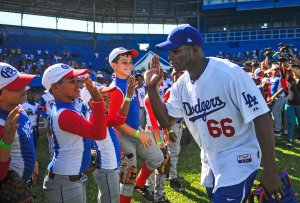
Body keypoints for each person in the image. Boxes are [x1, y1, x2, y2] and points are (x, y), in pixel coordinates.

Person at [145, 25, 284, 202]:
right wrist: (151, 88)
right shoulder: (181, 86)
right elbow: (166, 121)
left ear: (195, 50)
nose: (170, 56)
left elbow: (262, 117)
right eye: (170, 52)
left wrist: (270, 171)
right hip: (210, 160)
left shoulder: (229, 73)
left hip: (238, 156)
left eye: (176, 50)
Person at [42, 63, 107, 203]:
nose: (78, 84)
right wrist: (98, 99)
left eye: (77, 79)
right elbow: (99, 133)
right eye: (72, 81)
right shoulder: (65, 113)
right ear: (55, 87)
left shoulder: (66, 106)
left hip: (68, 178)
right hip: (65, 181)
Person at [108, 47, 163, 203]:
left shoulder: (130, 82)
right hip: (122, 136)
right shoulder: (114, 88)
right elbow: (117, 124)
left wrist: (151, 81)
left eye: (130, 62)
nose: (129, 65)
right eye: (124, 62)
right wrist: (139, 134)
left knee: (157, 158)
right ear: (113, 65)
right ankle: (133, 187)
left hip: (135, 130)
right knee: (127, 178)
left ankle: (140, 183)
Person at [80, 77, 135, 203]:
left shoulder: (102, 116)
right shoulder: (95, 118)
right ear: (91, 102)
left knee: (106, 198)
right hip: (107, 170)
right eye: (104, 99)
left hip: (109, 169)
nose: (109, 101)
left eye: (108, 98)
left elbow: (120, 119)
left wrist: (128, 96)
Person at [0, 63, 36, 197]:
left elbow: (25, 140)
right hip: (10, 192)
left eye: (22, 83)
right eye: (15, 87)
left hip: (23, 184)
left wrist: (32, 162)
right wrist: (5, 143)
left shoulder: (18, 107)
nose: (23, 88)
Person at [163, 69, 185, 193]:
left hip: (179, 123)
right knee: (174, 151)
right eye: (176, 74)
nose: (178, 76)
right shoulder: (170, 91)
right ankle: (173, 178)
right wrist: (169, 130)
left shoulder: (184, 89)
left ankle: (171, 172)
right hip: (172, 125)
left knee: (176, 150)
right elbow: (165, 113)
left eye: (181, 74)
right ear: (172, 76)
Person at [283, 62, 300, 147]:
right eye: (294, 68)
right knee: (290, 123)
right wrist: (282, 63)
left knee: (299, 123)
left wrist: (288, 65)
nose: (295, 69)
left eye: (297, 68)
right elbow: (283, 73)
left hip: (299, 105)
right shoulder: (290, 79)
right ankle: (290, 140)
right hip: (289, 104)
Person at [269, 64, 288, 137]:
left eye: (278, 69)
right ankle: (277, 129)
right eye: (275, 69)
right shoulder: (271, 78)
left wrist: (274, 95)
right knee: (276, 113)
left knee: (275, 113)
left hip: (280, 97)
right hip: (273, 98)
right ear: (272, 70)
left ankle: (278, 130)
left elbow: (284, 88)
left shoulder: (281, 78)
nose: (276, 71)